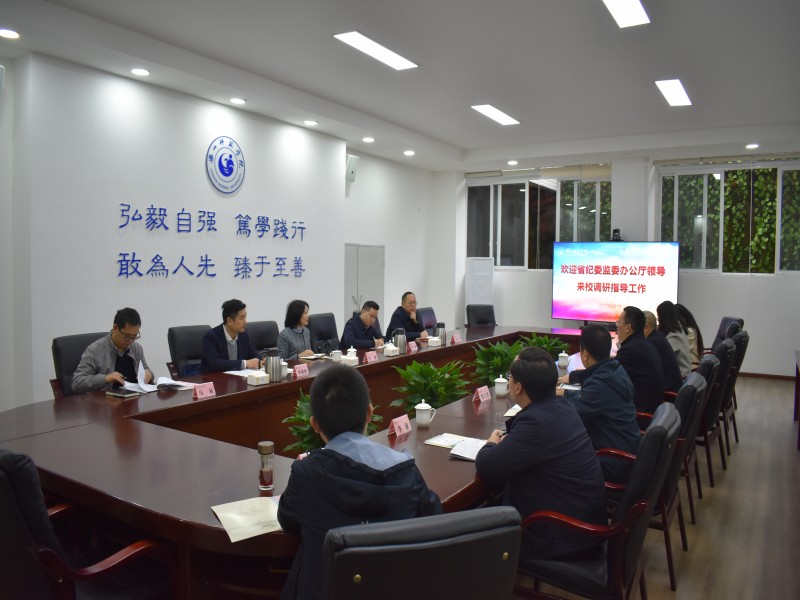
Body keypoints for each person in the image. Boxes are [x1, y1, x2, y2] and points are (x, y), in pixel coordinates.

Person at [277, 365, 441, 600]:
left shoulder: (306, 474)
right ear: (369, 413)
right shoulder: (405, 472)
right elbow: (433, 518)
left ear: (314, 424)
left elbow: (288, 520)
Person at [475, 347, 607, 561]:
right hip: (583, 520)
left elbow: (487, 466)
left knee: (474, 530)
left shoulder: (535, 423)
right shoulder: (562, 406)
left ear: (518, 387)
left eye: (510, 377)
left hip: (567, 534)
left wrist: (491, 443)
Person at [557, 325, 641, 484]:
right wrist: (566, 394)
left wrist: (550, 400)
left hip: (612, 462)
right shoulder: (616, 370)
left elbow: (570, 414)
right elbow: (590, 399)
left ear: (585, 354)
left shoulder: (600, 384)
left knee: (555, 462)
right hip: (626, 453)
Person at [570, 306, 664, 414]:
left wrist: (573, 377)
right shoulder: (642, 344)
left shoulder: (631, 350)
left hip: (641, 412)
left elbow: (606, 373)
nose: (617, 326)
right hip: (650, 406)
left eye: (619, 322)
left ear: (628, 327)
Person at [71, 307, 153, 393]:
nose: (131, 341)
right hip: (106, 400)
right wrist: (106, 378)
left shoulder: (136, 348)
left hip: (135, 398)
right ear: (115, 328)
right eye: (127, 336)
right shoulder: (95, 350)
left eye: (135, 336)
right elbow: (77, 382)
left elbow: (146, 370)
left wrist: (148, 373)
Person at [200, 299, 260, 373]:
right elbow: (216, 363)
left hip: (238, 377)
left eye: (245, 317)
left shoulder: (243, 334)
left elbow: (252, 353)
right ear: (229, 321)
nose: (245, 322)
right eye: (242, 318)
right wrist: (245, 363)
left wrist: (262, 359)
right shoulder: (211, 337)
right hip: (215, 378)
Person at [643, 310, 683, 393]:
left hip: (667, 394)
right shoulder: (659, 337)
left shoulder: (651, 343)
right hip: (672, 390)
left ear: (646, 327)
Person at [657, 300, 692, 378]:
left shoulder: (674, 336)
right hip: (684, 375)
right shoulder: (679, 329)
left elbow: (664, 357)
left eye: (659, 317)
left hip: (681, 377)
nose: (658, 320)